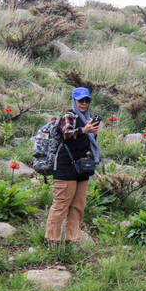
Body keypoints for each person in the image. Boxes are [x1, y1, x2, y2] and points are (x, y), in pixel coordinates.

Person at [44, 87, 101, 248]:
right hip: (65, 167)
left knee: (78, 206)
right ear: (74, 101)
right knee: (61, 204)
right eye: (80, 100)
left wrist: (92, 132)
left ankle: (73, 240)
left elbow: (85, 142)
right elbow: (67, 133)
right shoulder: (69, 115)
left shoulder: (87, 118)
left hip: (82, 167)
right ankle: (52, 241)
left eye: (86, 100)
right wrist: (85, 130)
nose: (84, 103)